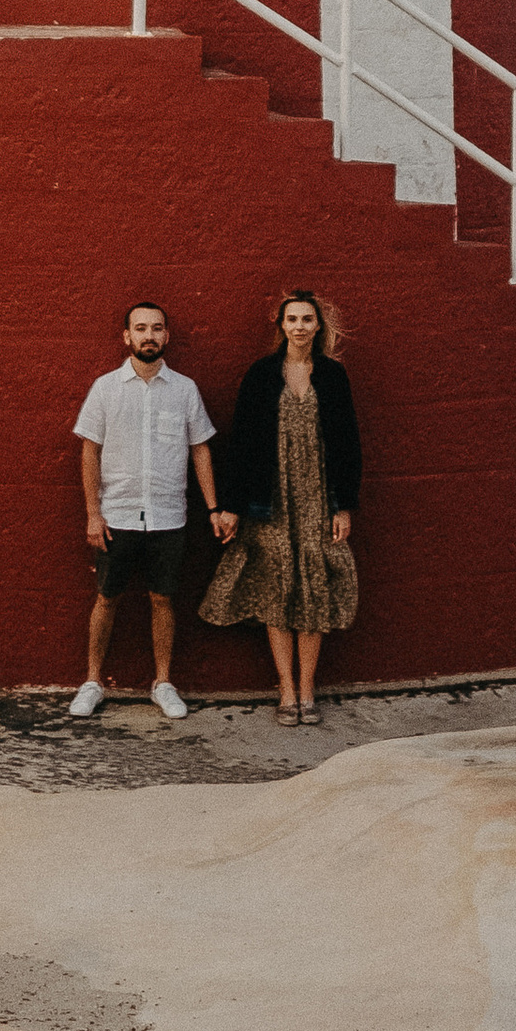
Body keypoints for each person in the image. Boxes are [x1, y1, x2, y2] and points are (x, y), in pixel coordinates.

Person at [198, 290, 361, 719]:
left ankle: (308, 690)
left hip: (316, 499)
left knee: (312, 590)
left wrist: (343, 506)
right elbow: (242, 446)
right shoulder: (260, 375)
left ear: (318, 326)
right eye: (292, 319)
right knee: (276, 588)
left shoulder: (332, 376)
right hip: (268, 501)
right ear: (281, 326)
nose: (300, 326)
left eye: (308, 319)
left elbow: (347, 446)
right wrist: (231, 504)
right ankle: (286, 690)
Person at [69, 300, 233, 718]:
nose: (148, 335)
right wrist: (93, 513)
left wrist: (213, 507)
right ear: (126, 336)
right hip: (117, 516)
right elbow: (90, 452)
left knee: (163, 599)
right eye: (140, 328)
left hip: (168, 515)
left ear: (166, 336)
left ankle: (162, 683)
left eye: (156, 328)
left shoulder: (185, 390)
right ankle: (91, 682)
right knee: (107, 598)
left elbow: (200, 450)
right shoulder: (106, 388)